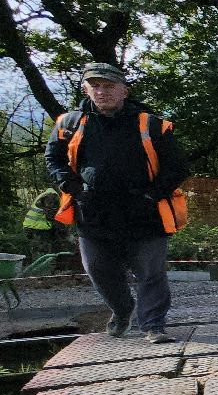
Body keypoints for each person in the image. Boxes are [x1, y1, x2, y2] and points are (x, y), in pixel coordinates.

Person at [45, 62, 189, 342]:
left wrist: (151, 194)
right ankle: (123, 310)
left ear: (124, 90)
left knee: (151, 273)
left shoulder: (152, 124)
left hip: (144, 213)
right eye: (95, 86)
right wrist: (73, 186)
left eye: (109, 86)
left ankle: (153, 326)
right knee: (98, 270)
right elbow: (54, 159)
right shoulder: (69, 123)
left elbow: (178, 167)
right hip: (93, 213)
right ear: (86, 90)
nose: (101, 91)